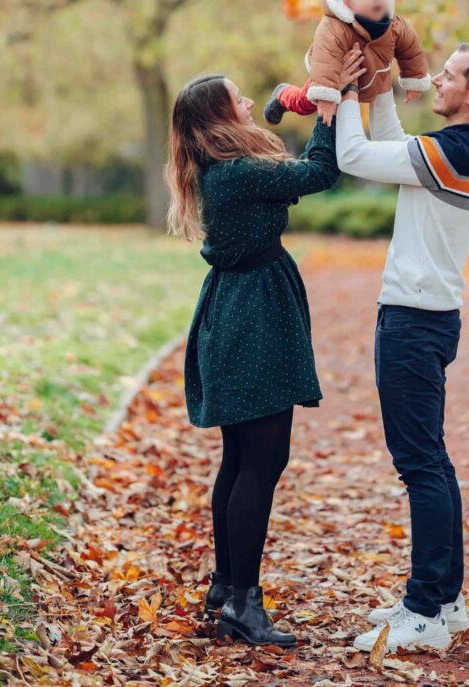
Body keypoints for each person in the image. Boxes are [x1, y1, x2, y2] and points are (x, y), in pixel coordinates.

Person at [335, 43, 469, 654]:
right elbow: (390, 148)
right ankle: (446, 599)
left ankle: (424, 611)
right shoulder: (465, 150)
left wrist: (345, 90)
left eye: (450, 74)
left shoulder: (453, 151)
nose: (437, 77)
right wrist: (380, 81)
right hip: (429, 317)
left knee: (420, 466)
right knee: (432, 462)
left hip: (412, 322)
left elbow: (356, 155)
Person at [165, 73, 340, 648]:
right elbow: (319, 173)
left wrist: (292, 105)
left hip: (242, 311)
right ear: (219, 117)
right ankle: (243, 603)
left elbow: (291, 171)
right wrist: (327, 107)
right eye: (237, 98)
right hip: (251, 318)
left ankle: (227, 587)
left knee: (241, 458)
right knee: (260, 460)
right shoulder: (237, 173)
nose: (247, 102)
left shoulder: (229, 170)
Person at [263, 0, 431, 127]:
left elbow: (411, 51)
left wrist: (415, 80)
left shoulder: (395, 25)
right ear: (348, 5)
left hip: (371, 74)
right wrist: (326, 96)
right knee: (306, 103)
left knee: (377, 107)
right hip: (331, 73)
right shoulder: (334, 27)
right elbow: (325, 57)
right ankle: (283, 95)